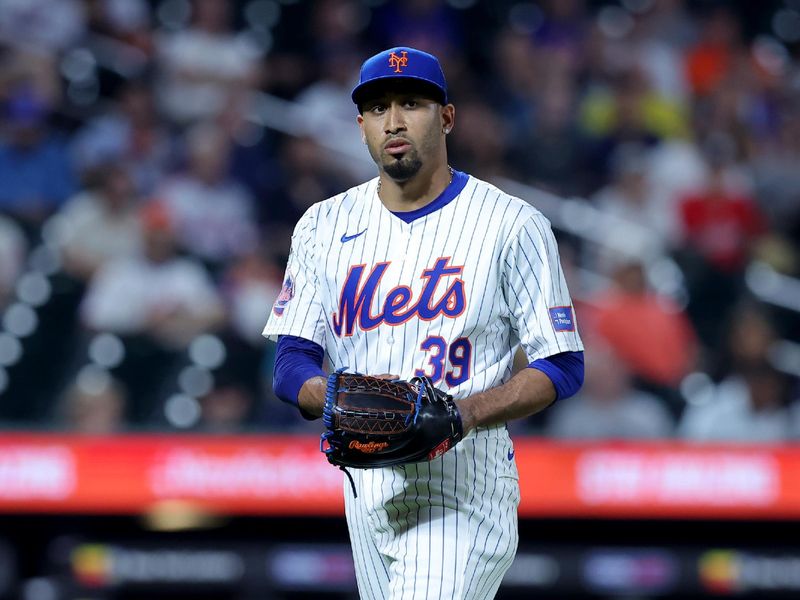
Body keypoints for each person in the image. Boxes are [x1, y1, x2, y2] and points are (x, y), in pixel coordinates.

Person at [262, 47, 584, 599]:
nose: (394, 120)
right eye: (378, 107)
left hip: (463, 486)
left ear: (447, 118)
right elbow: (290, 363)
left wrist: (466, 411)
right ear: (360, 125)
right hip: (365, 487)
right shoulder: (322, 224)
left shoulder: (511, 224)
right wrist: (335, 397)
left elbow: (563, 365)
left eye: (411, 102)